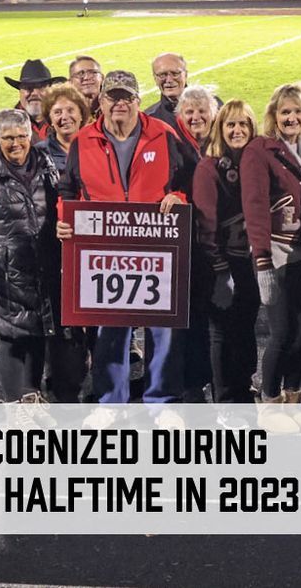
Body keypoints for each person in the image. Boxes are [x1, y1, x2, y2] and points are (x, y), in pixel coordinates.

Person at [54, 71, 200, 418]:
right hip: (105, 250)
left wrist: (179, 198)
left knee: (163, 327)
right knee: (109, 327)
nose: (119, 103)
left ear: (137, 100)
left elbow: (190, 181)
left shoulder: (164, 135)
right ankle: (110, 403)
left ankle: (162, 403)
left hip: (156, 245)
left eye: (126, 97)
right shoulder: (83, 139)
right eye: (112, 97)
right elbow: (67, 190)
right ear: (100, 101)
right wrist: (65, 218)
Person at [0, 109, 83, 426]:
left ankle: (35, 397)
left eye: (21, 136)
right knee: (12, 335)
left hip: (44, 266)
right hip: (6, 271)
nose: (15, 143)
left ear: (31, 136)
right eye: (7, 137)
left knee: (41, 330)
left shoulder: (45, 166)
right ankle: (18, 402)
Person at [242, 84, 301, 431]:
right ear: (273, 115)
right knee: (282, 332)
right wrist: (261, 259)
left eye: (298, 111)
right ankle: (269, 401)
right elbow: (255, 207)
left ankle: (293, 393)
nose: (291, 118)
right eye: (285, 112)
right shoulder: (260, 150)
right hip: (276, 253)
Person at [194, 101, 264, 424]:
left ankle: (243, 387)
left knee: (245, 329)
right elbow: (206, 224)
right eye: (231, 125)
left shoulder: (255, 163)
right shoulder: (209, 168)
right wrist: (220, 271)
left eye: (244, 125)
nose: (237, 131)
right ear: (220, 129)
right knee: (221, 332)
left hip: (249, 262)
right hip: (222, 264)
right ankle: (225, 400)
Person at [0, 59, 64, 146]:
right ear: (20, 92)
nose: (35, 93)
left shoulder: (64, 121)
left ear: (50, 90)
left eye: (41, 87)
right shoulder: (0, 127)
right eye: (28, 87)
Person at [36, 83, 89, 173]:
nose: (64, 117)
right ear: (50, 119)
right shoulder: (39, 153)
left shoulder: (97, 146)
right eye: (57, 112)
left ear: (81, 115)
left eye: (70, 110)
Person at [145, 53, 194, 134]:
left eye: (175, 74)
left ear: (185, 75)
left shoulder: (212, 106)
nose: (169, 80)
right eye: (162, 75)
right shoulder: (149, 119)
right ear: (155, 78)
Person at [173, 86, 217, 150]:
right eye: (189, 112)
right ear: (181, 116)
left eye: (202, 111)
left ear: (213, 113)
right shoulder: (173, 140)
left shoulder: (225, 137)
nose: (196, 117)